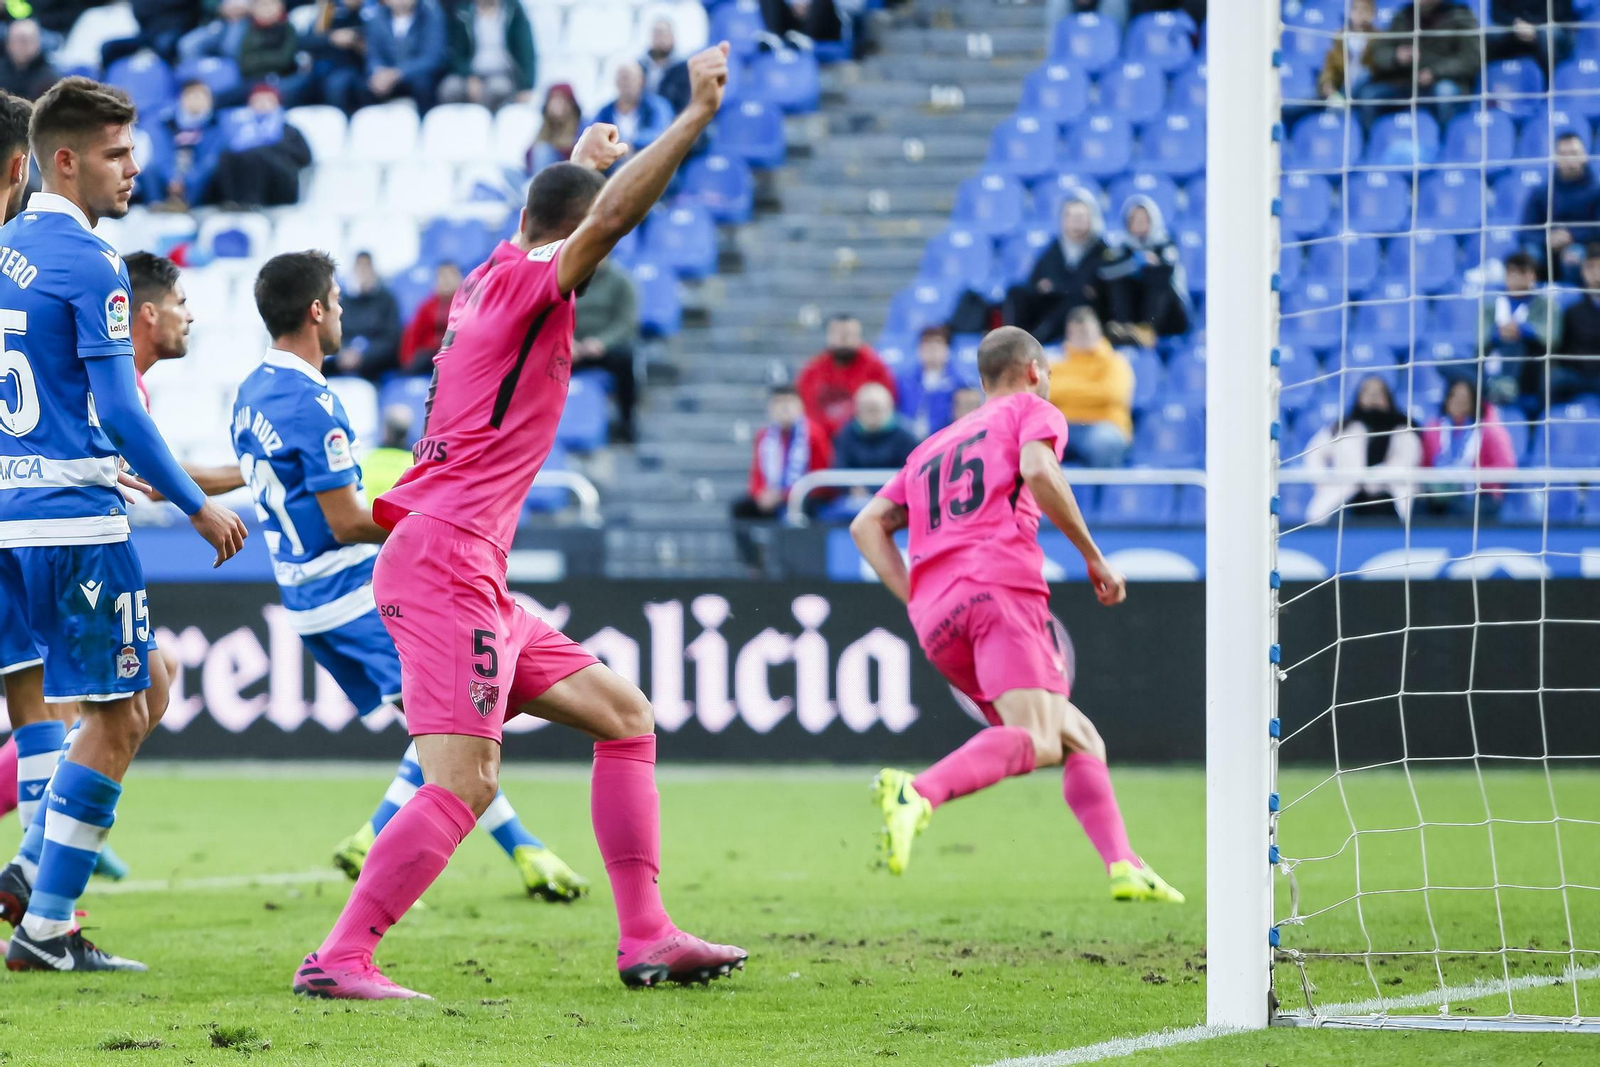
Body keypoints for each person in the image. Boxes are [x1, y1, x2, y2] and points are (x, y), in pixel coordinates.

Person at [294, 44, 746, 1001]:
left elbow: (559, 217)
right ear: (569, 237)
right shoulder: (538, 280)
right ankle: (340, 958)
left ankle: (647, 935)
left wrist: (580, 155)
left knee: (624, 716)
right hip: (446, 563)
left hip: (466, 564)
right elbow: (610, 217)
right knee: (465, 783)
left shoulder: (490, 275)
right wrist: (693, 120)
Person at [234, 250, 590, 906]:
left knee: (438, 722)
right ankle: (491, 847)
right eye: (337, 301)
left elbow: (266, 470)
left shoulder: (252, 390)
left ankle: (489, 846)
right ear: (317, 312)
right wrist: (426, 530)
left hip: (304, 597)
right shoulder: (315, 400)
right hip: (348, 591)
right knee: (460, 717)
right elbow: (345, 520)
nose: (342, 312)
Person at [0, 78, 247, 973]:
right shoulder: (94, 262)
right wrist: (197, 502)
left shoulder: (3, 248)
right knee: (120, 711)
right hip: (73, 522)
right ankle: (45, 914)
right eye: (114, 153)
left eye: (132, 150)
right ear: (62, 160)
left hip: (8, 519)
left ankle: (36, 885)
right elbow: (121, 411)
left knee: (111, 698)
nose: (133, 169)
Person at [849, 327, 1183, 902]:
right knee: (1039, 737)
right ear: (1033, 370)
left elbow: (866, 525)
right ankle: (918, 792)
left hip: (937, 618)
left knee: (1078, 736)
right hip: (1000, 588)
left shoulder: (931, 446)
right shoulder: (1032, 410)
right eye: (1047, 374)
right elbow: (1038, 470)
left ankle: (1124, 863)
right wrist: (1094, 558)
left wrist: (918, 596)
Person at [1003, 190, 1136, 347]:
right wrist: (1060, 287)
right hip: (1052, 306)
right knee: (1016, 292)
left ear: (1091, 219)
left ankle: (1035, 342)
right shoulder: (1054, 249)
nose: (1075, 222)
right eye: (1069, 216)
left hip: (1086, 315)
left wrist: (1057, 286)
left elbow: (1092, 291)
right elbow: (1037, 283)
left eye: (1080, 217)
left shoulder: (1103, 251)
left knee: (1076, 299)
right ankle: (1013, 341)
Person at [730, 384, 833, 569]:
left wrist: (784, 495)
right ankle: (754, 564)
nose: (784, 408)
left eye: (789, 402)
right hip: (771, 496)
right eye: (778, 403)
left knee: (793, 512)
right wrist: (760, 494)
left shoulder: (814, 434)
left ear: (800, 406)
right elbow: (757, 472)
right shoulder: (764, 436)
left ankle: (791, 567)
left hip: (804, 497)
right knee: (739, 508)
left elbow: (820, 477)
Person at [1305, 376, 1423, 525]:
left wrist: (1371, 477)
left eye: (1379, 392)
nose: (1373, 396)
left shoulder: (1404, 430)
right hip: (1346, 499)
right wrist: (1324, 483)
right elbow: (1313, 454)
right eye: (1368, 392)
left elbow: (1406, 463)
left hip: (1389, 498)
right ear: (1359, 397)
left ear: (1388, 398)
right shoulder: (1341, 428)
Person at [1356, 0, 1481, 130]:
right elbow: (1379, 53)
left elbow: (1469, 60)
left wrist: (1435, 72)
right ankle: (1370, 143)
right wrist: (1396, 56)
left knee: (1445, 92)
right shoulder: (1404, 15)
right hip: (1405, 82)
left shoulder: (1460, 16)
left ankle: (1447, 142)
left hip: (1444, 81)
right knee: (1369, 95)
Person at [1047, 307, 1134, 468]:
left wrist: (1065, 390)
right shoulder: (1056, 363)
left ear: (1098, 332)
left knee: (1104, 443)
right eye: (1077, 333)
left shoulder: (1115, 362)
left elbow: (1111, 394)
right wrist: (1090, 389)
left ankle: (1102, 493)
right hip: (1063, 425)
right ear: (1069, 334)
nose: (1082, 338)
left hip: (1104, 425)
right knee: (1030, 442)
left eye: (1086, 332)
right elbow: (1045, 393)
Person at [1474, 250, 1561, 410]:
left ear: (1533, 276)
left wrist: (1523, 330)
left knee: (1517, 345)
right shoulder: (1491, 306)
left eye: (1522, 273)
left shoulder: (1545, 305)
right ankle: (1496, 387)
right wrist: (1497, 333)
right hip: (1492, 365)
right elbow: (1479, 343)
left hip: (1531, 369)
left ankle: (1504, 389)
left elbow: (1553, 339)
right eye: (1512, 273)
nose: (1516, 278)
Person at [1420, 379, 1518, 517]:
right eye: (1454, 396)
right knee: (1419, 507)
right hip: (1440, 495)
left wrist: (1469, 477)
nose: (1458, 402)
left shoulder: (1490, 430)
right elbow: (1424, 464)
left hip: (1480, 494)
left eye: (1464, 398)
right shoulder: (1434, 429)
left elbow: (1506, 467)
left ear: (1473, 402)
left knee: (1459, 510)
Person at [208, 83, 312, 207]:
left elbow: (305, 157)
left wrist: (269, 149)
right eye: (257, 100)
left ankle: (252, 203)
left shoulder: (286, 129)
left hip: (282, 182)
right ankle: (232, 202)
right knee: (227, 156)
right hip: (245, 177)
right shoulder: (240, 130)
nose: (262, 104)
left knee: (255, 154)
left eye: (267, 100)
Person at [795, 314, 896, 439]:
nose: (844, 340)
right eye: (839, 334)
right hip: (824, 440)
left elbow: (887, 405)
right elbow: (806, 409)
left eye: (849, 334)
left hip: (865, 439)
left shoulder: (876, 368)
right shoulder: (813, 371)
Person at [572, 256, 639, 443]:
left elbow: (626, 323)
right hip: (572, 348)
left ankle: (626, 422)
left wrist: (602, 342)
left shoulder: (621, 281)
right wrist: (567, 341)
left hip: (606, 349)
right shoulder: (570, 278)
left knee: (625, 361)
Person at [1521, 133, 1600, 285]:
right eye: (1563, 154)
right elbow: (1525, 231)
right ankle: (1534, 303)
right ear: (1556, 158)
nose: (1569, 159)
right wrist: (1547, 239)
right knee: (1529, 255)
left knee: (1574, 255)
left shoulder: (1597, 190)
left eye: (1574, 153)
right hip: (1545, 249)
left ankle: (1576, 301)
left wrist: (1571, 236)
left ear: (1584, 155)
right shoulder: (1542, 191)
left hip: (1583, 247)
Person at [1115, 195, 1189, 342]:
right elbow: (1106, 272)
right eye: (1135, 220)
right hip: (1136, 314)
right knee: (1119, 279)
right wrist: (1136, 262)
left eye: (1144, 219)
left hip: (1169, 316)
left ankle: (1147, 329)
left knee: (1157, 274)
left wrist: (1151, 264)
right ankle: (1123, 327)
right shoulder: (1123, 248)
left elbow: (1169, 269)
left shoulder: (1166, 244)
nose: (1139, 224)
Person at [142, 79, 225, 211]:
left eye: (205, 97)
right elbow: (161, 153)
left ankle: (188, 206)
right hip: (172, 171)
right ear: (183, 98)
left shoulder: (216, 125)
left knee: (211, 168)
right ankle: (156, 206)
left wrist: (187, 180)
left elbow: (210, 158)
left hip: (197, 173)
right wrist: (171, 177)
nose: (201, 101)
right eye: (195, 96)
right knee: (150, 169)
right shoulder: (166, 123)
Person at [441, 0, 536, 112]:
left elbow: (526, 51)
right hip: (470, 73)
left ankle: (483, 126)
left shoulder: (514, 11)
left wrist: (527, 86)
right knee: (450, 88)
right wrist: (469, 76)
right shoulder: (463, 12)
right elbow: (456, 52)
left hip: (503, 74)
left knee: (496, 89)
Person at [361, 0, 450, 112]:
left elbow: (433, 57)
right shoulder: (377, 18)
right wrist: (377, 71)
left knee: (423, 85)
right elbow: (373, 55)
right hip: (386, 77)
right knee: (364, 86)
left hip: (419, 76)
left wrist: (398, 73)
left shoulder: (430, 14)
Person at [333, 252, 402, 382]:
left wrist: (363, 356)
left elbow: (391, 339)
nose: (363, 273)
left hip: (375, 368)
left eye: (366, 268)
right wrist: (343, 353)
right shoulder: (344, 301)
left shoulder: (387, 300)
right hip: (342, 363)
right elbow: (335, 332)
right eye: (359, 268)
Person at [592, 61, 673, 161]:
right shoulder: (604, 112)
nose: (626, 83)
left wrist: (631, 144)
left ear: (641, 81)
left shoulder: (657, 107)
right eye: (623, 78)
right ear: (616, 82)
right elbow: (594, 136)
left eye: (631, 78)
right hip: (612, 166)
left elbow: (662, 134)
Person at [1552, 243, 1600, 403]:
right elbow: (1563, 348)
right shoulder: (1573, 310)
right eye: (1591, 267)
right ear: (1582, 271)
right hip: (1578, 375)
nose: (1596, 273)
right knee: (1555, 379)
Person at [304, 0, 371, 115]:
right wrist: (331, 38)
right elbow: (306, 42)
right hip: (322, 68)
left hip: (353, 67)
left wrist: (355, 40)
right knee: (297, 86)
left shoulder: (367, 14)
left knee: (336, 85)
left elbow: (373, 47)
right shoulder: (327, 10)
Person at [896, 326, 961, 439]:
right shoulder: (904, 381)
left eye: (937, 344)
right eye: (927, 345)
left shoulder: (959, 383)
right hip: (907, 441)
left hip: (944, 440)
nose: (932, 350)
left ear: (947, 350)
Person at [101, 0, 203, 69]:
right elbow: (139, 11)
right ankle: (104, 91)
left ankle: (167, 85)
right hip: (148, 34)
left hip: (178, 31)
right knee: (108, 47)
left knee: (164, 44)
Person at [400, 260, 460, 372]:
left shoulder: (468, 305)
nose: (446, 280)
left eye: (450, 275)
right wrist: (408, 362)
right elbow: (413, 336)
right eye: (442, 276)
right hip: (429, 357)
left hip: (457, 355)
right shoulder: (426, 307)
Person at [1485, 0, 1575, 72]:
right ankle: (1492, 81)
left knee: (1547, 36)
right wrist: (1515, 23)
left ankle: (1549, 85)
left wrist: (1533, 27)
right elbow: (1497, 12)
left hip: (1547, 25)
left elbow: (1561, 12)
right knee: (1491, 36)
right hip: (1515, 26)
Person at [1317, 0, 1377, 102]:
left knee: (1365, 75)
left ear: (1373, 14)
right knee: (1300, 105)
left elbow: (1376, 70)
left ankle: (1342, 99)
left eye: (1365, 9)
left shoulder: (1379, 38)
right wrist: (1327, 85)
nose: (1360, 13)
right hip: (1340, 86)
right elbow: (1330, 67)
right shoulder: (1339, 37)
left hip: (1365, 88)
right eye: (1355, 9)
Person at [360, 404, 416, 500]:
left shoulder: (367, 459)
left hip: (369, 514)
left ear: (386, 430)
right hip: (400, 515)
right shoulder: (414, 464)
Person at [527, 82, 580, 174]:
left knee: (542, 150)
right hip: (538, 174)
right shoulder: (546, 126)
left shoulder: (581, 125)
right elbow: (529, 156)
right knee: (507, 170)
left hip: (562, 177)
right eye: (553, 100)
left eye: (561, 100)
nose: (557, 105)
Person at [0, 19, 56, 101]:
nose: (21, 46)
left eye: (26, 40)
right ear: (8, 43)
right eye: (17, 40)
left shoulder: (50, 78)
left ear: (38, 42)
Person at [760, 0, 844, 43]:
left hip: (821, 29)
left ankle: (804, 38)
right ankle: (773, 37)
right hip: (791, 29)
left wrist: (807, 6)